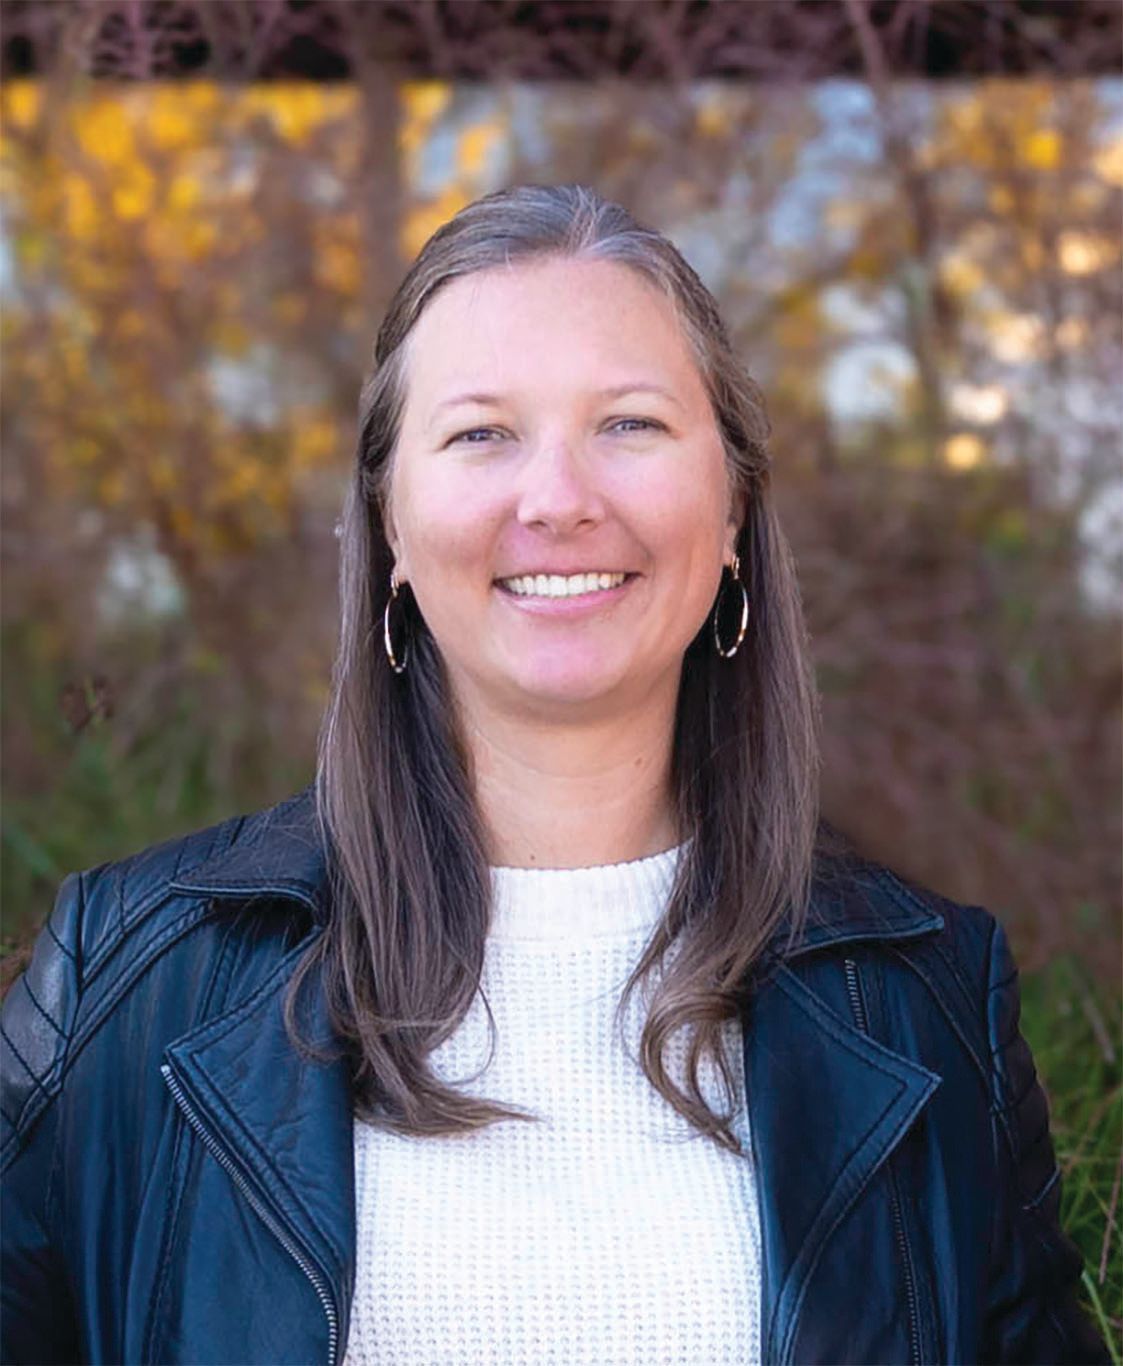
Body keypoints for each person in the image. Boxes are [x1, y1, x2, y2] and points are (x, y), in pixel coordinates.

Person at [0, 183, 1109, 1366]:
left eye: (628, 424)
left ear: (731, 507)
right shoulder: (125, 979)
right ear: (386, 527)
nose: (560, 500)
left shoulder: (933, 1003)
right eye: (482, 433)